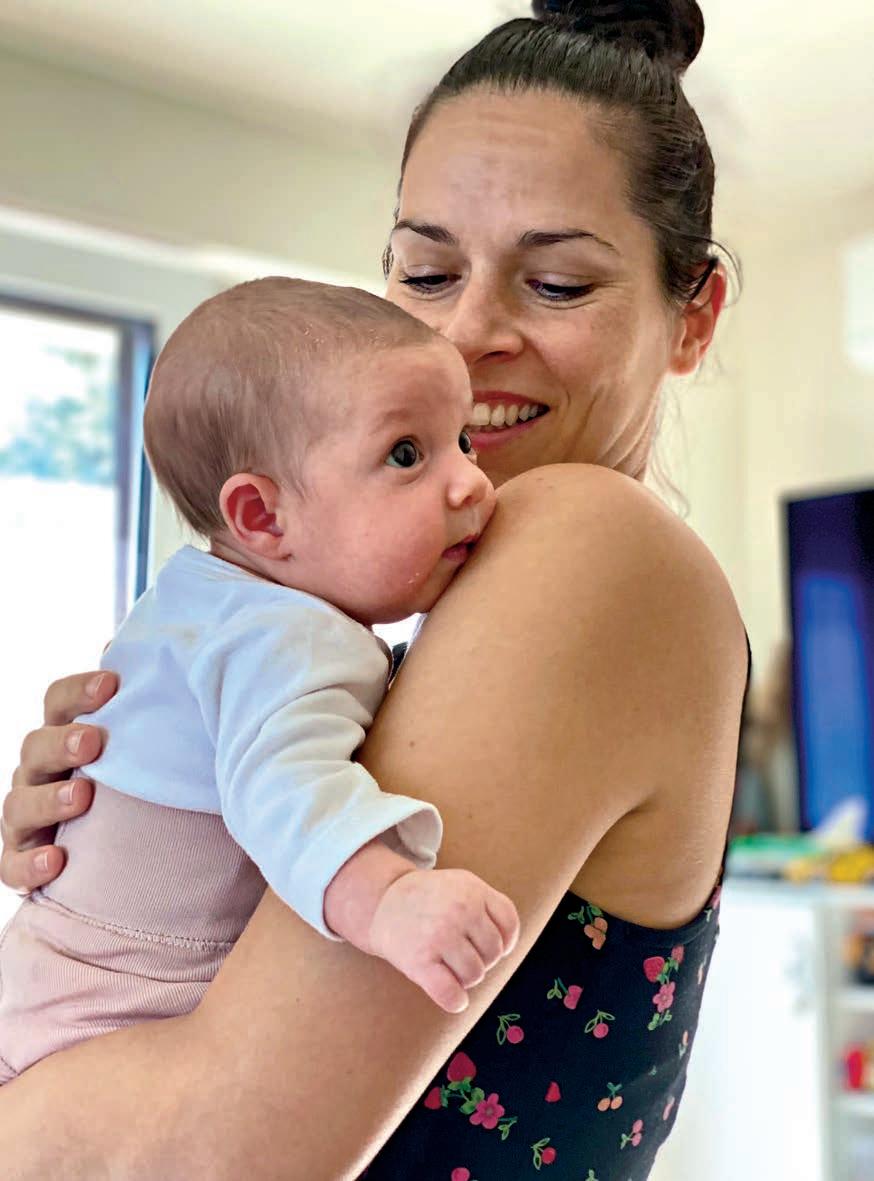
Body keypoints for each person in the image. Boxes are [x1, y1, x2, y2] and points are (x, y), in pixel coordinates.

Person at [0, 2, 750, 1177]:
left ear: (691, 317)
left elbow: (196, 1152)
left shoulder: (589, 540)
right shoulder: (401, 626)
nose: (464, 334)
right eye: (426, 270)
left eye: (557, 283)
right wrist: (145, 809)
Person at [0, 276, 518, 1085]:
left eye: (463, 442)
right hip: (112, 1012)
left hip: (45, 980)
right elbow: (282, 794)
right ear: (261, 517)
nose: (471, 482)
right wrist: (390, 899)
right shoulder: (291, 636)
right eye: (407, 455)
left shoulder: (199, 598)